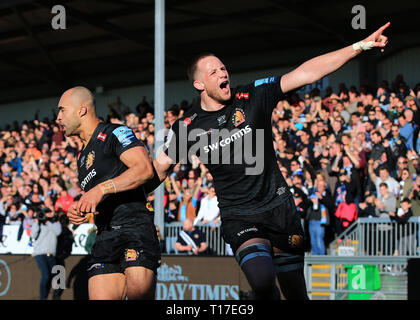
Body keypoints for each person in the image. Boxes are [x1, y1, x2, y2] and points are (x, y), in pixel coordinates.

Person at [145, 23, 390, 300]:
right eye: (213, 71)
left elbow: (305, 73)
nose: (223, 73)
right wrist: (124, 197)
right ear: (199, 84)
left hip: (279, 208)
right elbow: (160, 168)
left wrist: (360, 46)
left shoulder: (252, 96)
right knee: (262, 281)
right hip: (239, 215)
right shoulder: (188, 126)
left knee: (296, 291)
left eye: (223, 68)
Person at [56, 86, 160, 300]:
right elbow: (100, 196)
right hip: (104, 235)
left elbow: (144, 169)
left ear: (81, 110)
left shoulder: (115, 133)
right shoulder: (81, 156)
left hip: (135, 229)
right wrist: (82, 209)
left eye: (62, 110)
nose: (58, 118)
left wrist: (99, 190)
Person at [31, 206, 62, 300]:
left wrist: (47, 221)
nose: (47, 215)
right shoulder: (38, 224)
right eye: (46, 213)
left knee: (56, 277)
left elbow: (58, 232)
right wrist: (37, 222)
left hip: (51, 255)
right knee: (46, 275)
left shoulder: (55, 223)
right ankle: (42, 298)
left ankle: (55, 296)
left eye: (49, 213)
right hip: (40, 254)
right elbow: (33, 235)